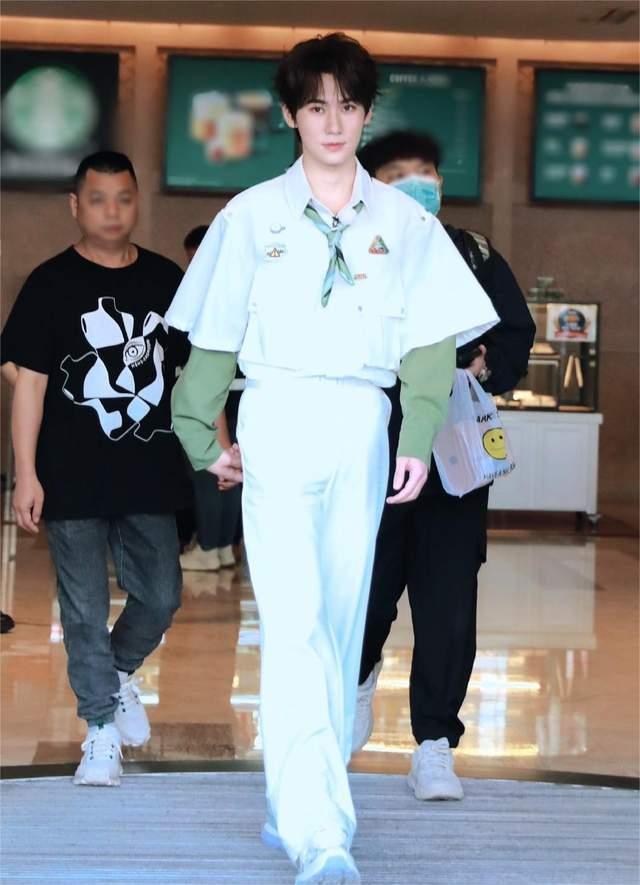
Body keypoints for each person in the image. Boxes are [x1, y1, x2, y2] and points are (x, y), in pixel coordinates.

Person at [166, 34, 498, 885]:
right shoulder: (250, 215)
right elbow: (213, 338)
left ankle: (296, 803)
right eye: (317, 106)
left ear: (367, 112)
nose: (334, 122)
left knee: (342, 626)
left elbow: (431, 344)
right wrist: (204, 437)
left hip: (362, 420)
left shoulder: (406, 223)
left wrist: (416, 439)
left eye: (349, 106)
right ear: (291, 115)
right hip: (277, 414)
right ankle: (321, 833)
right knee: (294, 624)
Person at [352, 131, 536, 801]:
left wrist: (489, 364)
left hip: (452, 459)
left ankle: (434, 743)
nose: (416, 186)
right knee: (366, 593)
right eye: (398, 175)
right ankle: (357, 682)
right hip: (371, 452)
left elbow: (514, 333)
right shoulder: (351, 252)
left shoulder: (473, 254)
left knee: (448, 606)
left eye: (425, 173)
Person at [1, 151, 190, 787]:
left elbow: (190, 375)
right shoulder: (50, 283)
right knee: (82, 608)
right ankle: (100, 729)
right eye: (98, 199)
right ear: (76, 206)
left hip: (148, 470)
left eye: (124, 198)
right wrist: (26, 473)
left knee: (161, 595)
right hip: (70, 473)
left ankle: (116, 672)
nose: (112, 211)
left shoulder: (165, 280)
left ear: (137, 203)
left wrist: (216, 445)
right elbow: (27, 384)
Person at [178, 226, 243, 571]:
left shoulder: (215, 299)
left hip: (218, 399)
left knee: (212, 471)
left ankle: (209, 545)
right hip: (235, 397)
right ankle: (223, 546)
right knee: (232, 470)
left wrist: (218, 429)